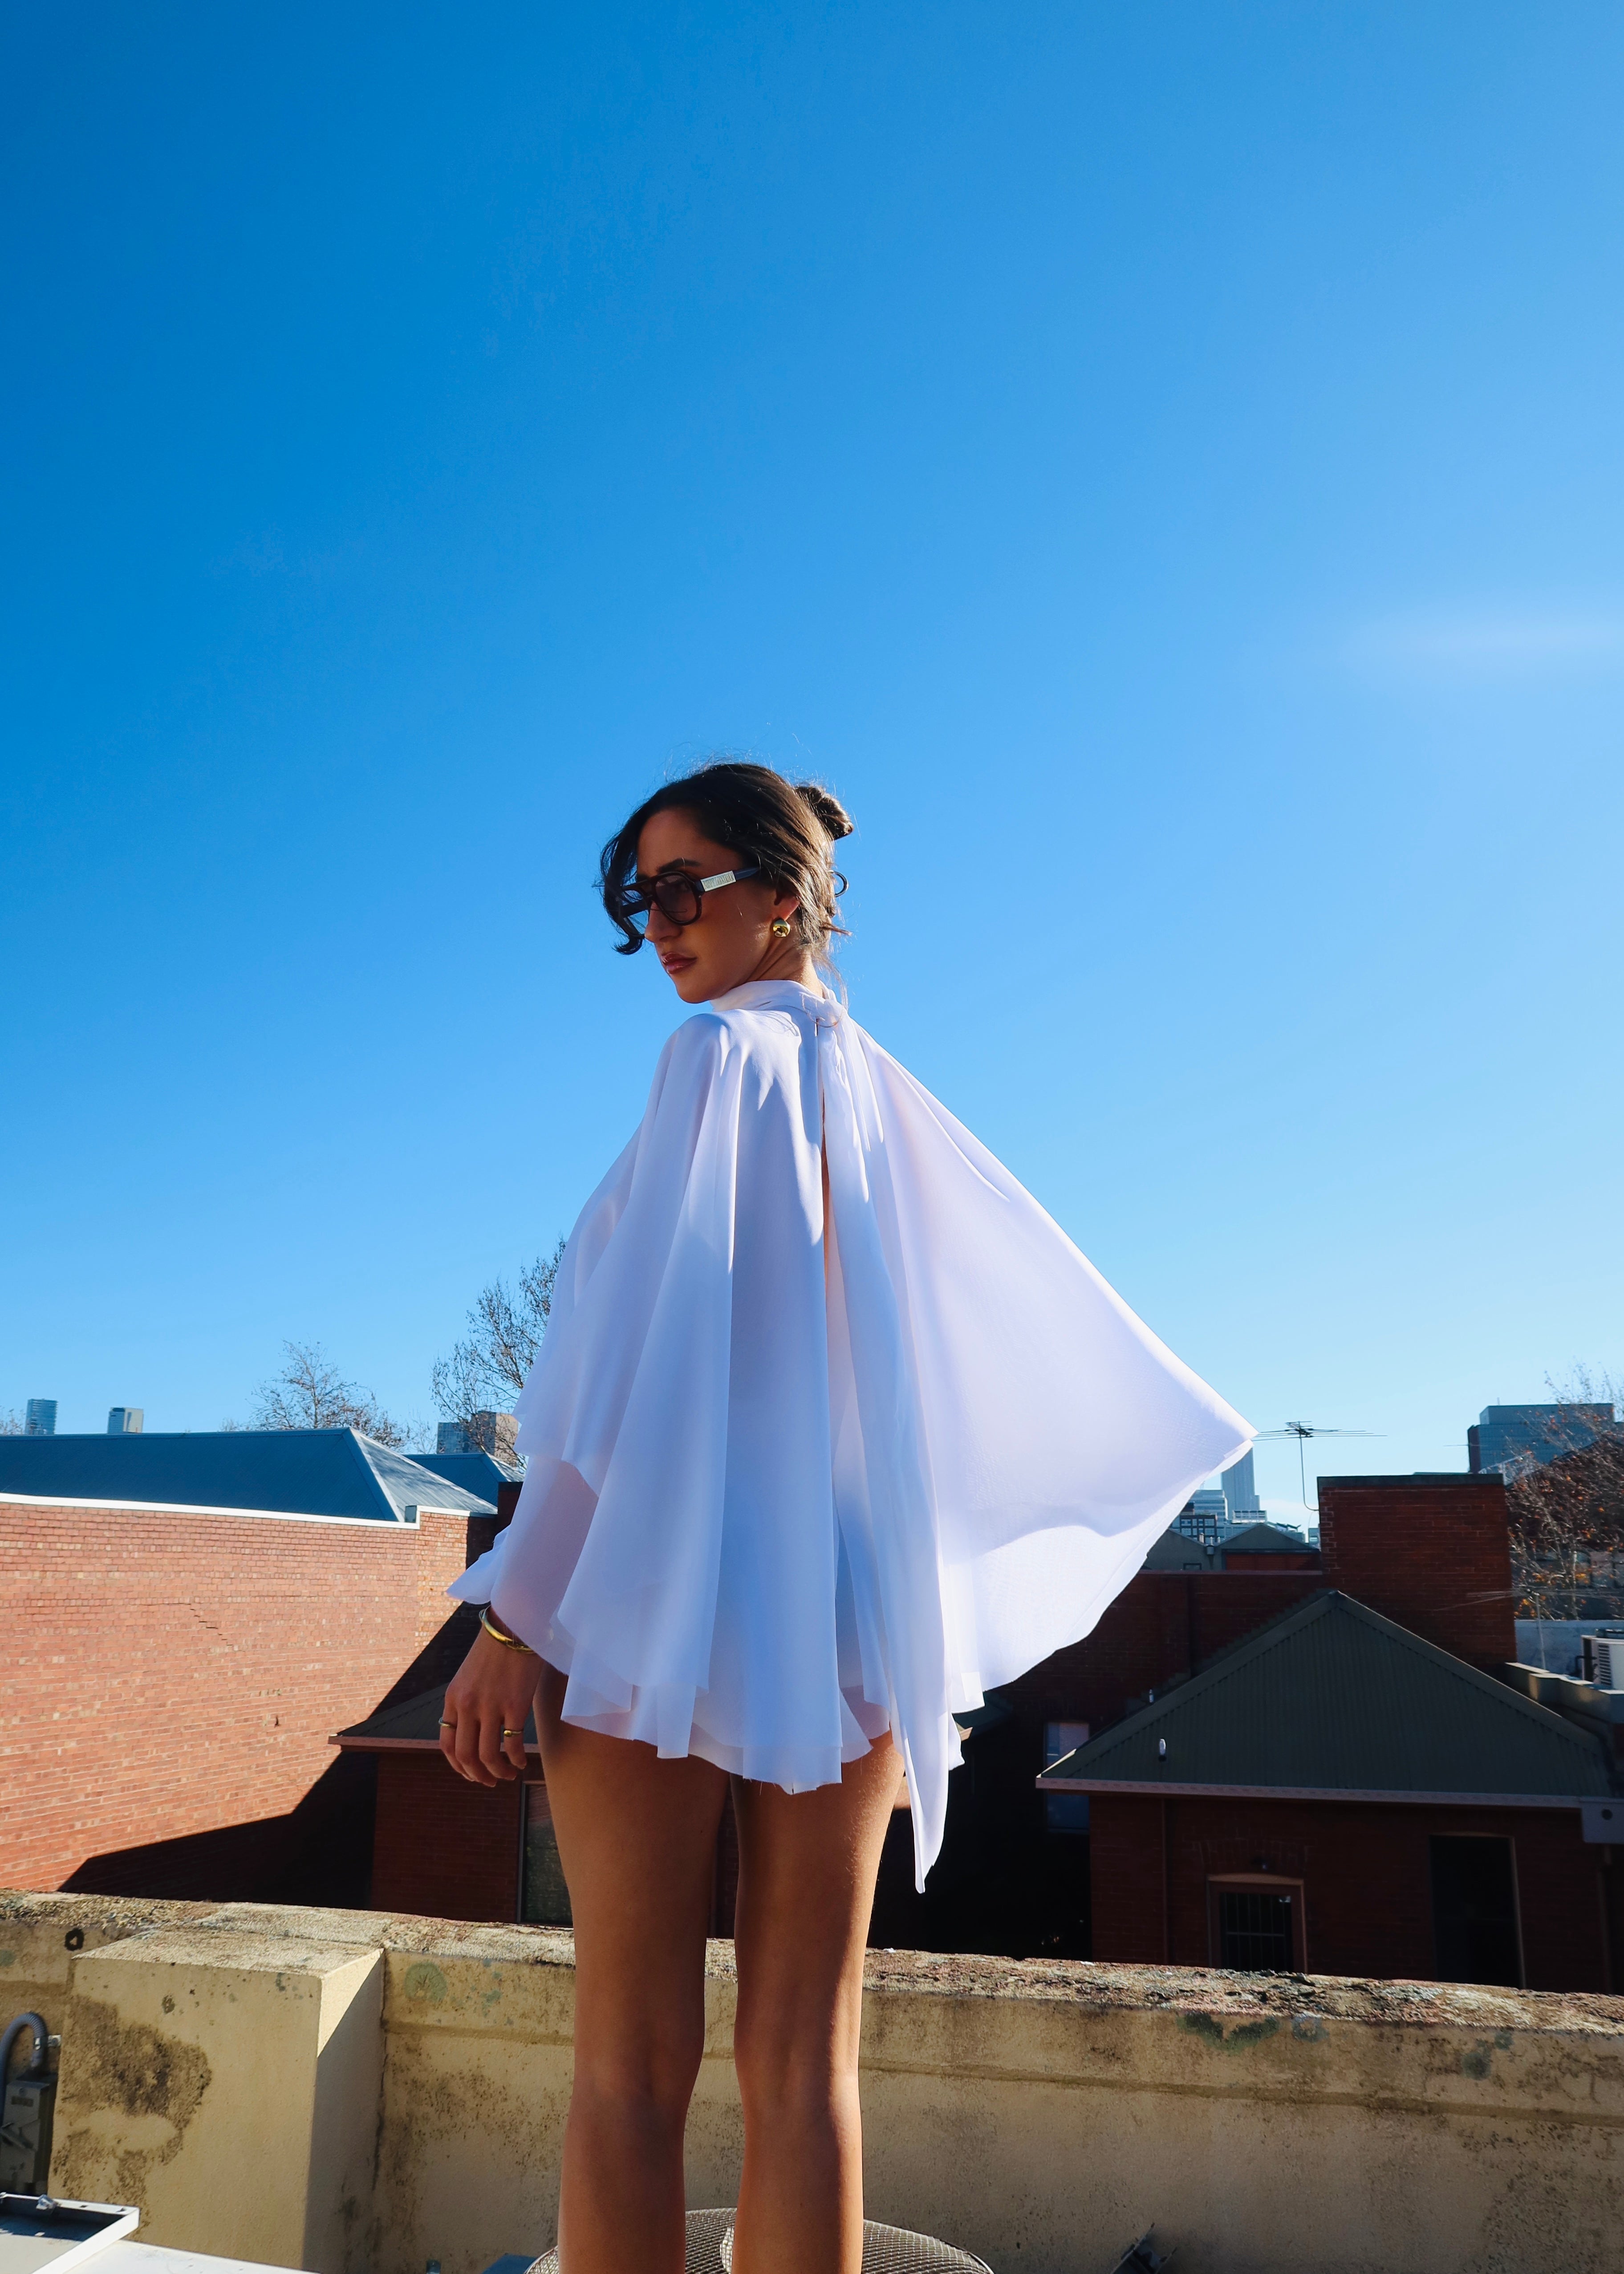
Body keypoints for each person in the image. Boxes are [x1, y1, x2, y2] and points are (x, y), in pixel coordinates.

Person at [440, 761, 1250, 2274]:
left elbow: (622, 1384)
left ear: (790, 892)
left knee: (627, 2068)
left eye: (689, 887)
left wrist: (510, 1616)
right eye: (641, 902)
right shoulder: (890, 1105)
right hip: (845, 1632)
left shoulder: (715, 1062)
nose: (662, 928)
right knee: (809, 2070)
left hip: (650, 1617)